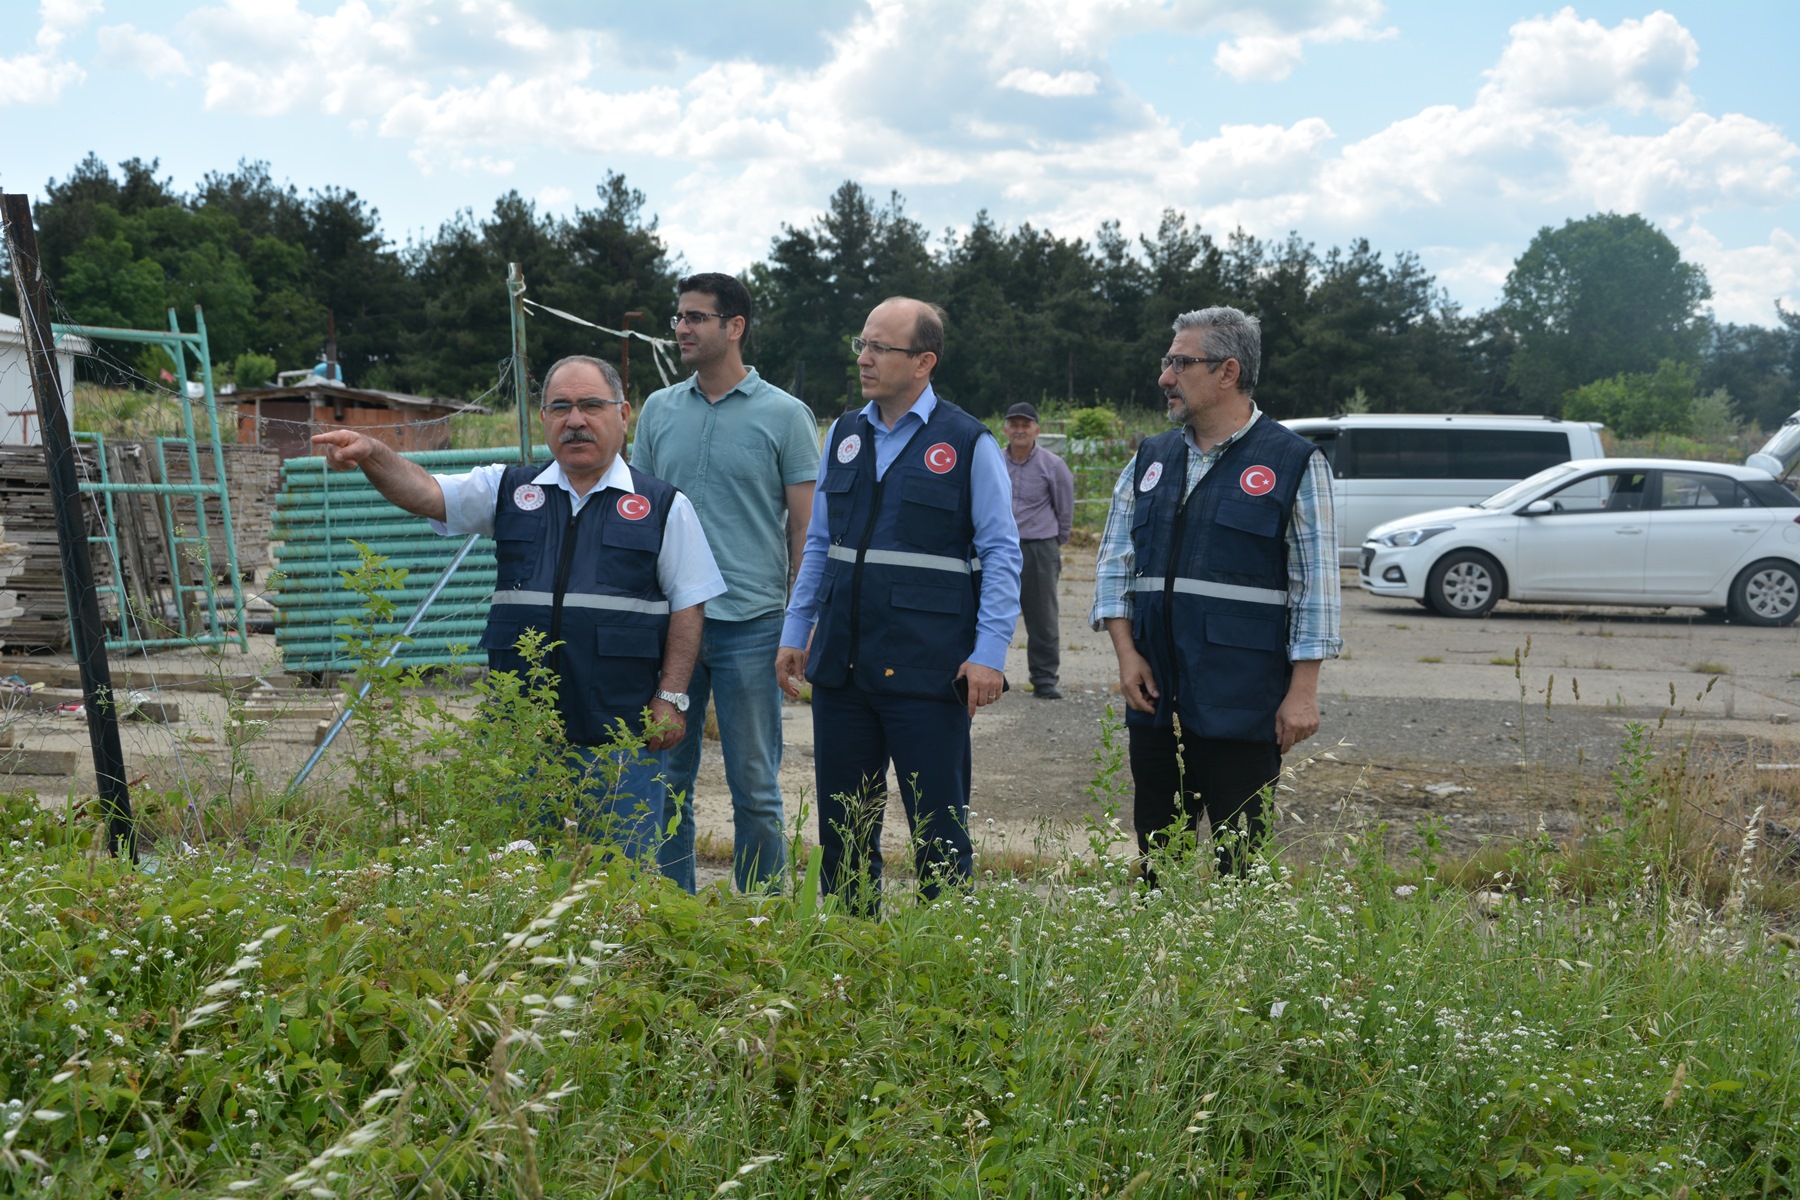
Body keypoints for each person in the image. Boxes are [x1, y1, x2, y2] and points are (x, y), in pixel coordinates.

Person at [311, 355, 724, 861]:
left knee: (626, 872)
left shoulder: (661, 505)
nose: (575, 420)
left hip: (623, 730)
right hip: (520, 735)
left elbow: (689, 606)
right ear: (545, 418)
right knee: (518, 871)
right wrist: (375, 453)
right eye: (560, 407)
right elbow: (424, 493)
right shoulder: (508, 489)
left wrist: (672, 698)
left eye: (592, 405)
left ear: (623, 414)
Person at [776, 298, 1021, 910]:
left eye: (880, 347)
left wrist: (989, 654)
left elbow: (1002, 554)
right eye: (862, 344)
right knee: (845, 835)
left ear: (923, 362)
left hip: (928, 672)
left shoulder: (967, 443)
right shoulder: (844, 435)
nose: (864, 357)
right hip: (843, 670)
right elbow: (819, 547)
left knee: (939, 834)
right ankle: (853, 960)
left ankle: (945, 959)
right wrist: (795, 628)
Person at [1089, 306, 1340, 880]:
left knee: (1241, 865)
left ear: (1227, 372)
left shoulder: (1292, 462)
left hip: (1243, 700)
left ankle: (1235, 966)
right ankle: (1156, 961)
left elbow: (1316, 587)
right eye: (1166, 361)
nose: (1165, 377)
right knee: (1158, 859)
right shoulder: (1149, 459)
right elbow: (1114, 567)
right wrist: (1126, 655)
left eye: (1181, 363)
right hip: (1156, 699)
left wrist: (1303, 691)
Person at [632, 272, 822, 894]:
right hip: (671, 630)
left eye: (695, 317)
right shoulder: (659, 410)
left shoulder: (786, 416)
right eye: (678, 317)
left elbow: (806, 529)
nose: (681, 329)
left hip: (753, 625)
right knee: (663, 781)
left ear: (734, 327)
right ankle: (672, 913)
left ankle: (759, 919)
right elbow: (639, 517)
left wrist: (802, 621)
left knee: (756, 787)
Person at [1001, 401, 1075, 700]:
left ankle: (1044, 679)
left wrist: (1055, 542)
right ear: (1005, 429)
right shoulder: (993, 460)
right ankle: (985, 674)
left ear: (1037, 430)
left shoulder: (1053, 465)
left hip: (1039, 548)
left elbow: (1065, 508)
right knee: (986, 612)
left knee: (1042, 618)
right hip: (999, 548)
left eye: (1025, 425)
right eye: (1014, 424)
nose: (1020, 430)